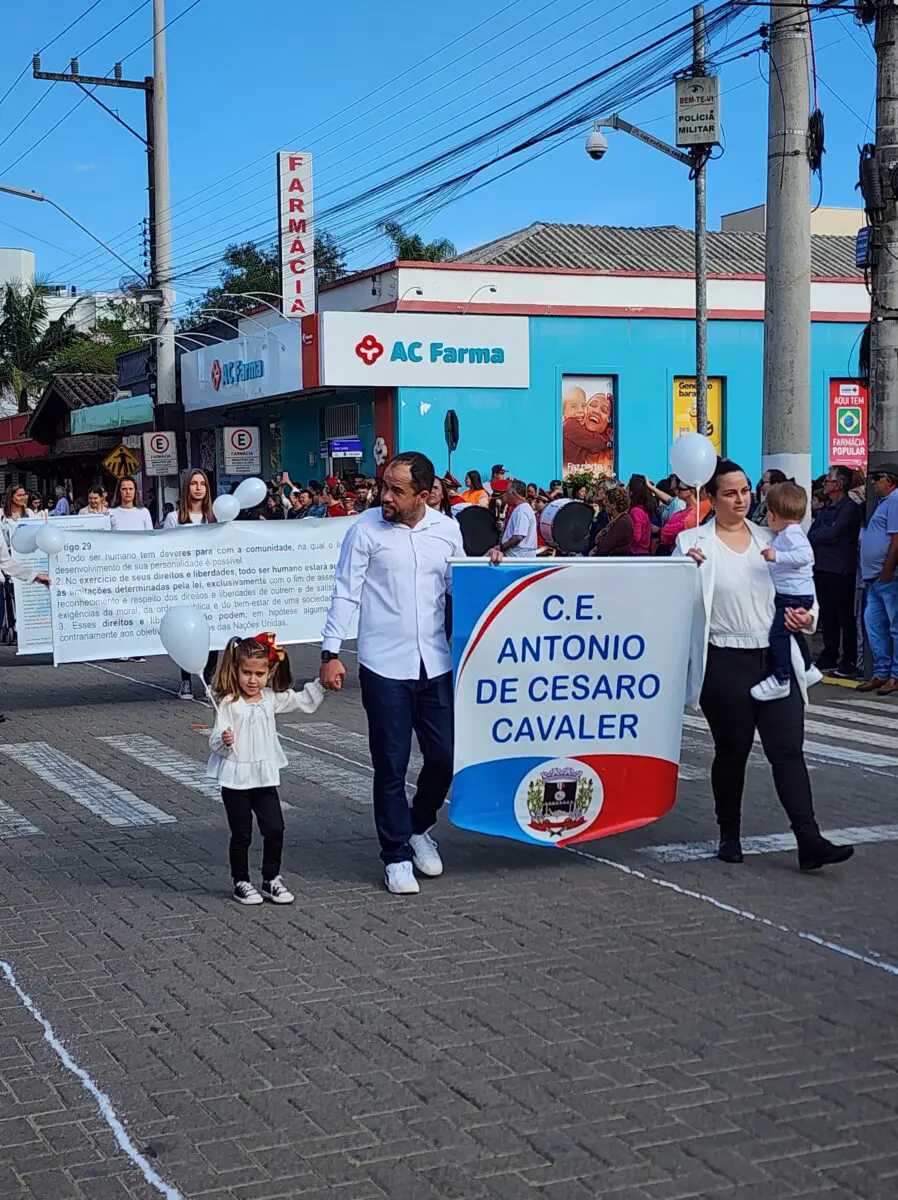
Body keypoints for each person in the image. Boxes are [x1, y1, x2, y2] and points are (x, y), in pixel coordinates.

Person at [674, 458, 853, 871]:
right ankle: (729, 833)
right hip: (724, 660)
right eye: (730, 493)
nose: (741, 499)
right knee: (732, 752)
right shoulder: (692, 544)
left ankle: (809, 838)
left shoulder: (771, 537)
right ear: (712, 498)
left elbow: (801, 585)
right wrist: (687, 571)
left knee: (788, 751)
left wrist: (807, 618)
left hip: (776, 658)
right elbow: (673, 601)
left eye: (745, 491)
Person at [319, 451, 464, 895]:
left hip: (435, 663)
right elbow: (346, 592)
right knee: (391, 764)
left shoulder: (448, 530)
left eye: (396, 490)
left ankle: (418, 827)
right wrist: (330, 651)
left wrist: (493, 564)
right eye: (384, 486)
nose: (385, 496)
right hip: (384, 665)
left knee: (444, 759)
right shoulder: (364, 530)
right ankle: (395, 854)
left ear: (423, 495)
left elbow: (464, 586)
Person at [207, 633, 325, 906]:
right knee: (242, 833)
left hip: (263, 776)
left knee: (275, 828)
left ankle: (271, 878)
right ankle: (241, 881)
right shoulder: (228, 703)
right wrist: (224, 741)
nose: (252, 679)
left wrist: (322, 684)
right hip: (235, 778)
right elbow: (215, 739)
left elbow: (302, 701)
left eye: (259, 673)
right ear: (235, 669)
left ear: (269, 672)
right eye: (246, 672)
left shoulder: (271, 698)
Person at [750, 481, 821, 701]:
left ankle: (781, 677)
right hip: (793, 593)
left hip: (793, 594)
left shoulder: (791, 534)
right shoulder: (788, 534)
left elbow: (806, 557)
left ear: (772, 515)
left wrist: (776, 556)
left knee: (779, 634)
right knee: (791, 632)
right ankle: (808, 668)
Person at [164, 471, 218, 698]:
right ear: (186, 488)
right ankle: (185, 680)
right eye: (194, 484)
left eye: (202, 484)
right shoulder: (174, 518)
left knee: (213, 631)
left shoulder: (214, 517)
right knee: (187, 630)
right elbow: (166, 549)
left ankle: (209, 680)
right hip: (185, 583)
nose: (198, 488)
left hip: (211, 582)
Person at [808, 465, 863, 677]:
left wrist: (823, 536)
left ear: (838, 485)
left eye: (828, 481)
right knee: (828, 615)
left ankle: (847, 659)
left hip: (841, 570)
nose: (825, 485)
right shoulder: (826, 509)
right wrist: (823, 536)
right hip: (823, 567)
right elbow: (814, 533)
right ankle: (829, 654)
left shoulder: (850, 508)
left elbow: (833, 533)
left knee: (844, 616)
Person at [858, 462, 898, 695]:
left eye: (877, 478)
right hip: (875, 578)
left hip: (886, 577)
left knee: (893, 627)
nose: (873, 483)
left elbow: (896, 539)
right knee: (874, 625)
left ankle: (894, 675)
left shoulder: (894, 501)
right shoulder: (886, 503)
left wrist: (887, 569)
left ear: (890, 480)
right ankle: (882, 672)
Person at [562, 389, 614, 469]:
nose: (596, 411)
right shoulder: (570, 425)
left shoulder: (608, 456)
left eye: (604, 410)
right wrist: (607, 442)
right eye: (592, 405)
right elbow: (595, 442)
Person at [660, 482, 711, 549]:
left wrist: (668, 528)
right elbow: (665, 535)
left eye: (680, 489)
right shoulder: (681, 512)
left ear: (691, 491)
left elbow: (667, 532)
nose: (677, 491)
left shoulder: (698, 511)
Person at [588, 481, 634, 556]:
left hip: (615, 563)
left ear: (613, 505)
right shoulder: (621, 519)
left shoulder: (622, 522)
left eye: (607, 501)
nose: (605, 504)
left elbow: (604, 547)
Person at [498, 478, 538, 557]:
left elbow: (518, 536)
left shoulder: (521, 510)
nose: (506, 496)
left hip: (518, 557)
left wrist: (501, 547)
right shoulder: (522, 508)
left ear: (512, 493)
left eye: (507, 493)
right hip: (519, 556)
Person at [628, 475, 659, 555]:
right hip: (643, 551)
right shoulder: (644, 510)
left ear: (631, 492)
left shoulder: (635, 511)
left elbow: (636, 537)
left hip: (636, 552)